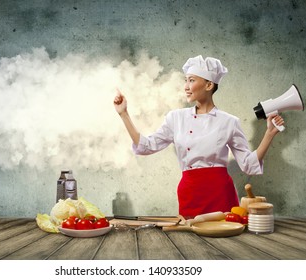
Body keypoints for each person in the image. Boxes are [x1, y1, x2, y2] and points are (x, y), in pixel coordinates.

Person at [113, 55, 284, 218]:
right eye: (185, 80)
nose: (186, 86)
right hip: (190, 193)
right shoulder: (176, 118)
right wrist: (124, 114)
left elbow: (247, 164)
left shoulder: (229, 122)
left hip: (220, 194)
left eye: (192, 80)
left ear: (209, 85)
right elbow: (146, 146)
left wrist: (269, 134)